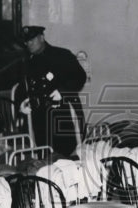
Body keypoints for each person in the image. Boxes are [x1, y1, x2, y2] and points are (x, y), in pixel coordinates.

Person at [15, 25, 87, 157]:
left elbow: (79, 77)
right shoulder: (27, 62)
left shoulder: (62, 55)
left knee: (69, 156)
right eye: (26, 41)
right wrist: (22, 103)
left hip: (63, 115)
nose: (28, 44)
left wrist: (63, 91)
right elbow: (21, 87)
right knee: (45, 156)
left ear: (41, 38)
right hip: (40, 118)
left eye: (32, 40)